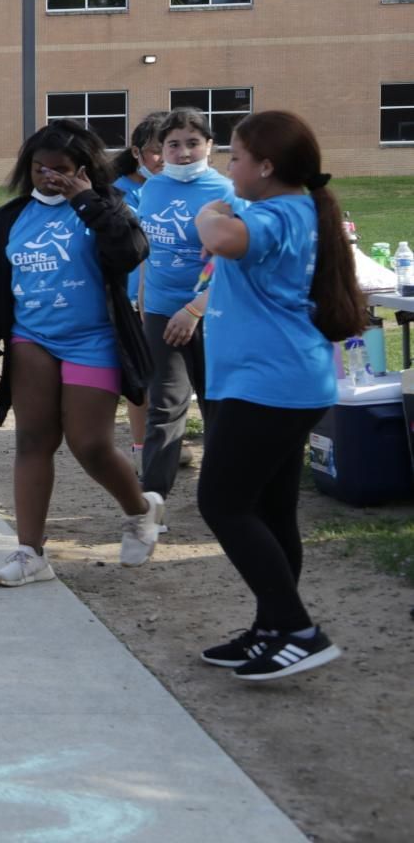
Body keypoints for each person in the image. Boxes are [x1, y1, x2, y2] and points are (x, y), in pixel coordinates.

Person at [194, 111, 360, 679]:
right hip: (283, 380)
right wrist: (229, 204)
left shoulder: (276, 215)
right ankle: (271, 628)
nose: (227, 167)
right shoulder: (296, 208)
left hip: (267, 385)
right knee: (270, 508)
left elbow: (220, 237)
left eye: (235, 157)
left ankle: (296, 629)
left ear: (266, 167)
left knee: (222, 502)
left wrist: (208, 208)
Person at [0, 119, 164, 586]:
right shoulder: (9, 218)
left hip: (93, 338)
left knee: (89, 444)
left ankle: (140, 510)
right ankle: (30, 553)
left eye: (61, 169)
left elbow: (132, 251)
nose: (49, 177)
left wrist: (85, 199)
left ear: (83, 170)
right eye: (40, 168)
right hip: (32, 337)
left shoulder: (105, 206)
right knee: (33, 440)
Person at [135, 108, 235, 503]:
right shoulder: (153, 189)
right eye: (173, 144)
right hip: (160, 312)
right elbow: (149, 253)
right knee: (165, 406)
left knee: (218, 406)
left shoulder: (225, 192)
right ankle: (152, 501)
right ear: (161, 150)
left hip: (212, 314)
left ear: (210, 145)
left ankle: (223, 496)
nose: (183, 152)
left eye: (193, 143)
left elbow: (231, 267)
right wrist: (145, 307)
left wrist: (195, 309)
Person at [111, 113, 166, 471]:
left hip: (179, 298)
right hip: (134, 299)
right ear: (137, 152)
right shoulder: (117, 193)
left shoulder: (183, 188)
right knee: (143, 381)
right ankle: (142, 449)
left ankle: (170, 443)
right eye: (158, 150)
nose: (167, 158)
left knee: (175, 380)